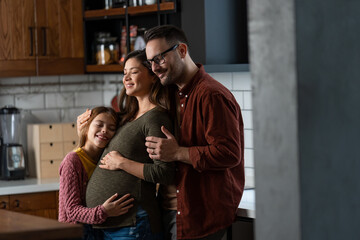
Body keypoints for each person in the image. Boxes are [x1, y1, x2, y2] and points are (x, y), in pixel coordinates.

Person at [144, 25, 245, 240]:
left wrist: (177, 152)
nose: (154, 68)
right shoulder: (174, 93)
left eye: (159, 59)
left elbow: (228, 153)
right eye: (150, 61)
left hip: (202, 217)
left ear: (181, 51)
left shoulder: (212, 95)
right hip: (177, 212)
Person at [78, 49, 178, 240]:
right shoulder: (126, 118)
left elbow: (165, 173)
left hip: (134, 224)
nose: (127, 78)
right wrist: (82, 132)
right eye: (124, 73)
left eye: (134, 72)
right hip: (107, 224)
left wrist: (122, 163)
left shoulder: (155, 118)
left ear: (153, 77)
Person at [58, 106, 135, 240]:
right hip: (77, 233)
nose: (104, 130)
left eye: (111, 128)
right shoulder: (72, 161)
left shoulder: (106, 158)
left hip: (98, 230)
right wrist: (104, 211)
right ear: (86, 126)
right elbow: (71, 211)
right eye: (99, 125)